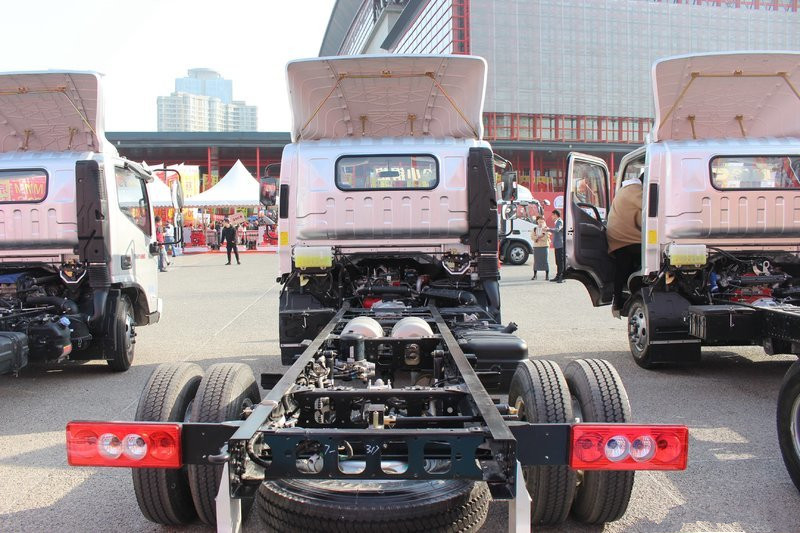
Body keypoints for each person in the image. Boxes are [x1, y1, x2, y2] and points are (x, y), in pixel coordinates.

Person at [606, 168, 644, 318]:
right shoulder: (634, 190)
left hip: (621, 237)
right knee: (656, 260)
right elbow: (652, 206)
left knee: (622, 269)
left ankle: (618, 301)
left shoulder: (627, 189)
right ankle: (624, 299)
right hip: (627, 238)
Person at [530, 215, 550, 280]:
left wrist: (538, 237)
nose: (540, 223)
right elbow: (532, 237)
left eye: (542, 221)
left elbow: (546, 237)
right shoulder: (534, 228)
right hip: (536, 247)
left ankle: (547, 275)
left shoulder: (546, 228)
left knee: (545, 261)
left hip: (544, 246)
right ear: (537, 222)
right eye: (539, 222)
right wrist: (539, 237)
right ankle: (535, 275)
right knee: (536, 261)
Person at [548, 209, 565, 283]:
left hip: (560, 245)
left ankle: (562, 277)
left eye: (552, 215)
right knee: (558, 262)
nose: (551, 216)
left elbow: (557, 229)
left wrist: (548, 229)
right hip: (557, 245)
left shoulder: (560, 221)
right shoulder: (557, 222)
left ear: (555, 215)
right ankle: (558, 276)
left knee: (560, 262)